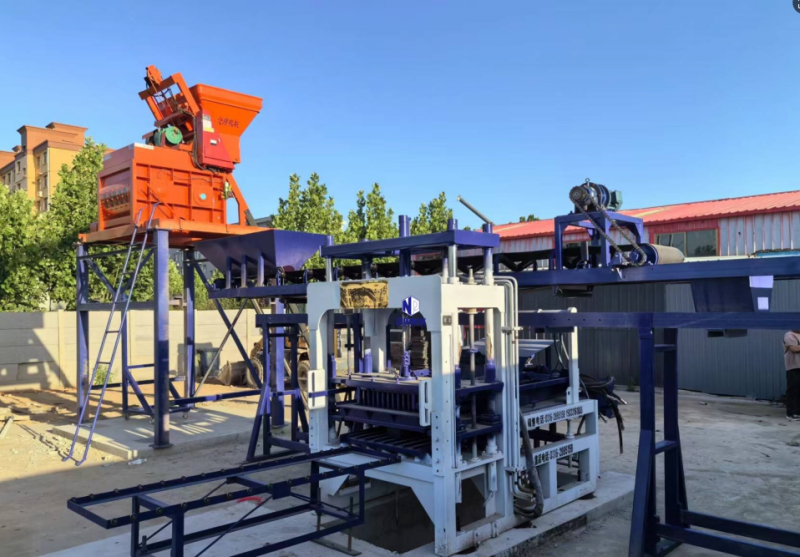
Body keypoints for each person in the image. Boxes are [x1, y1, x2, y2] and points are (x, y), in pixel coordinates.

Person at [783, 330, 800, 421]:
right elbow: (794, 348)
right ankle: (791, 413)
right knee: (793, 390)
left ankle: (798, 412)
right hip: (793, 367)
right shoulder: (789, 335)